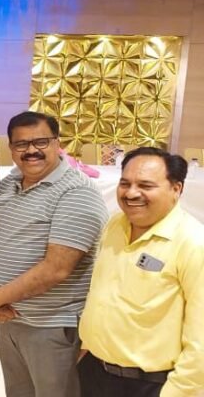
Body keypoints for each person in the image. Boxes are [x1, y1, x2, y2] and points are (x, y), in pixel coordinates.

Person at [0, 111, 107, 397]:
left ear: (57, 143)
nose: (31, 150)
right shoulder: (9, 183)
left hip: (52, 324)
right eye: (21, 144)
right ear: (11, 148)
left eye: (41, 142)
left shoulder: (77, 192)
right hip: (10, 319)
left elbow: (56, 269)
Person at [79, 148, 204, 397]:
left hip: (150, 385)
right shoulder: (116, 225)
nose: (131, 193)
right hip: (95, 372)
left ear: (176, 189)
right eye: (125, 183)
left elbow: (200, 340)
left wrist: (177, 391)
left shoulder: (193, 243)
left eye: (146, 185)